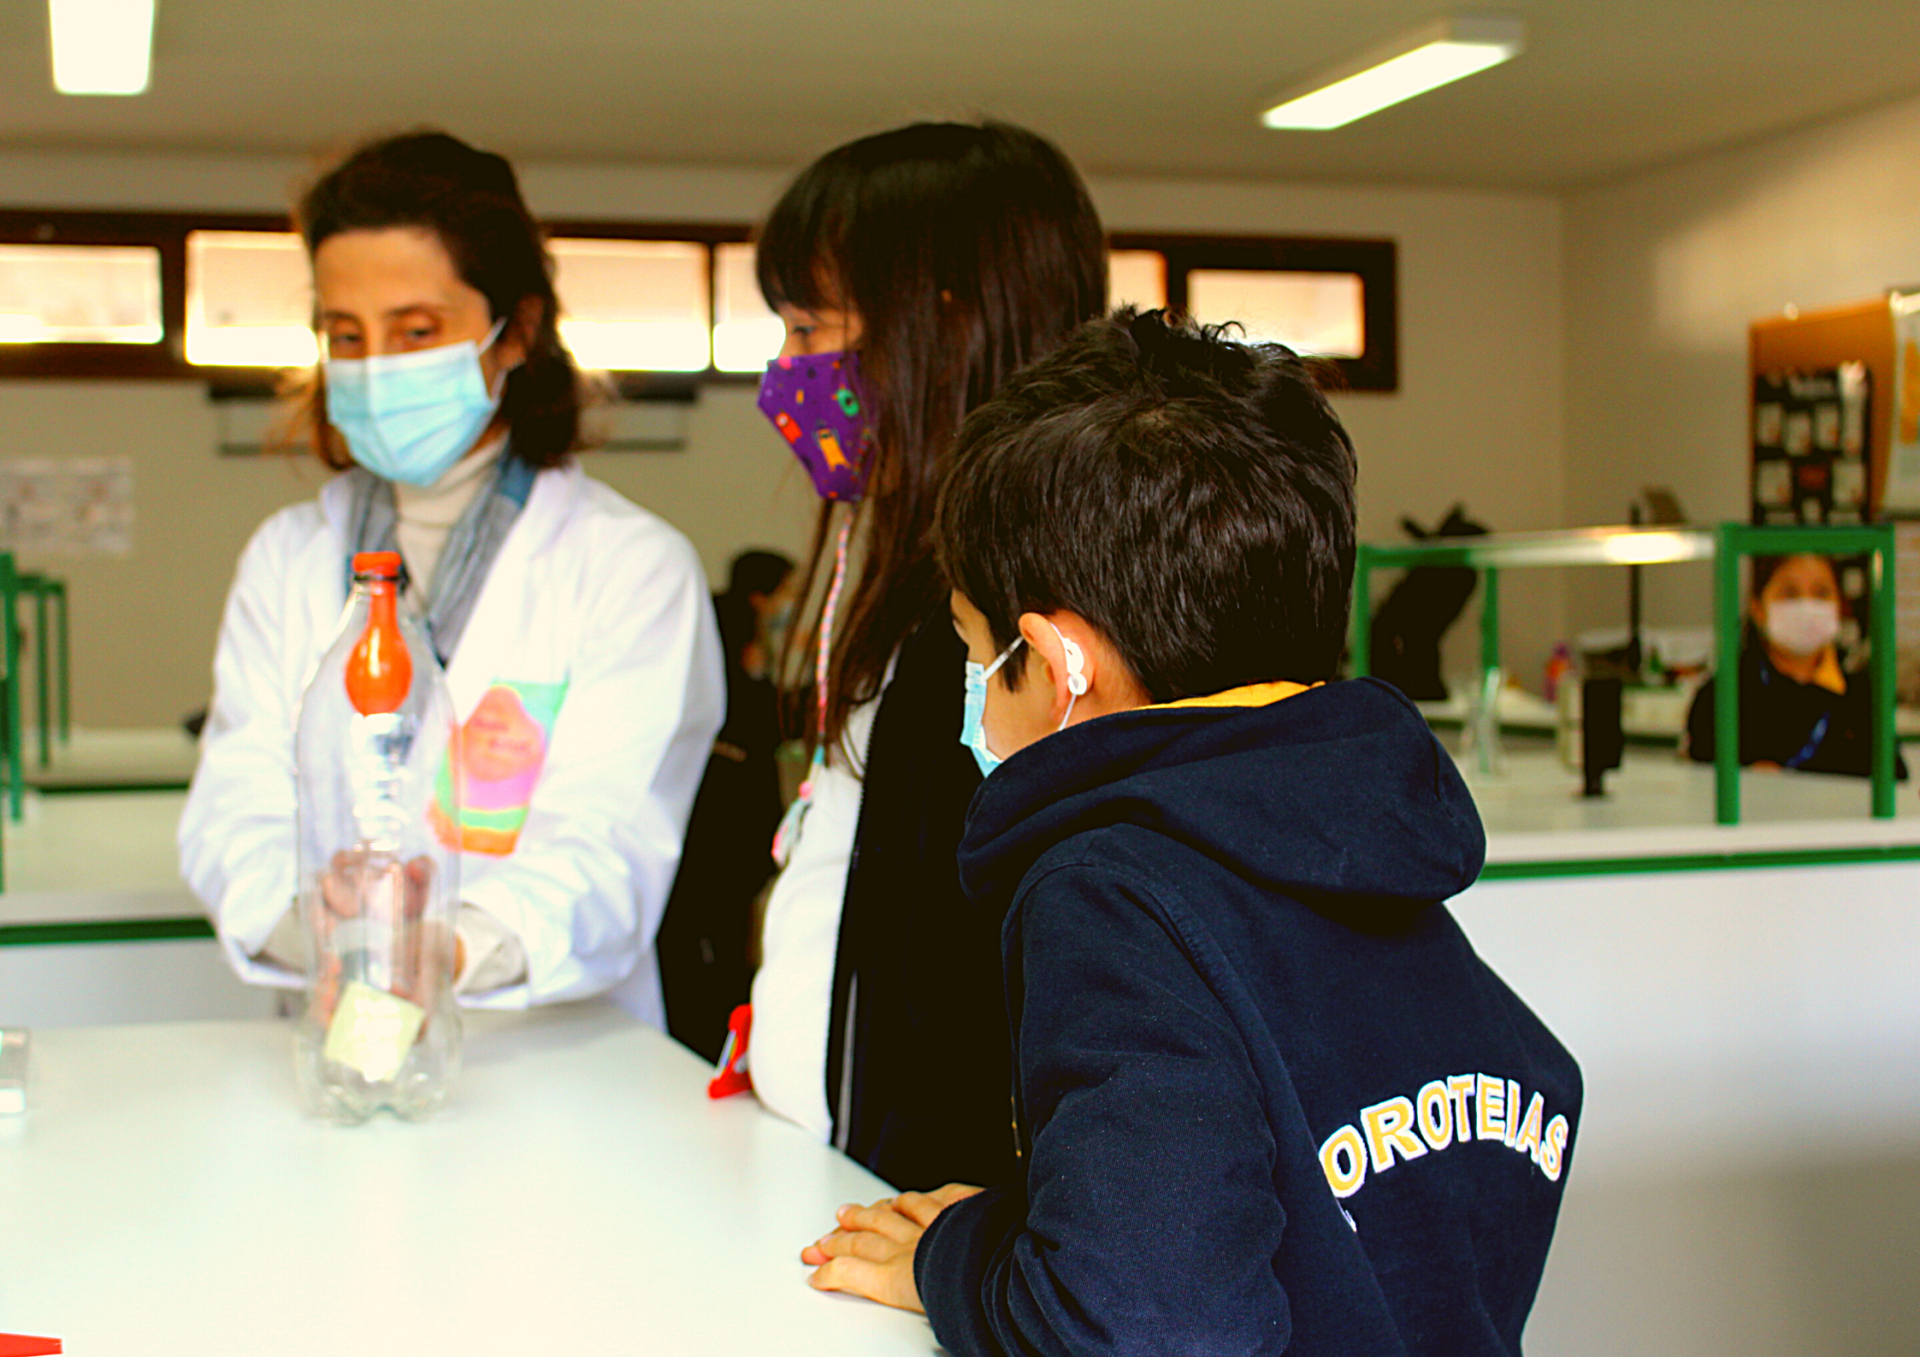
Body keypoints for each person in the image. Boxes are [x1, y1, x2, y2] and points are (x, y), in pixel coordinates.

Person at [800, 311, 1583, 1354]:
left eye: (973, 653)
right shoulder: (1367, 830)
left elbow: (1143, 1320)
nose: (973, 695)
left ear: (1059, 665)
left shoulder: (1110, 893)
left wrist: (962, 1257)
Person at [179, 130, 723, 1023]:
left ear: (518, 332)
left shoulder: (629, 566)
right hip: (331, 1036)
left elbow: (612, 838)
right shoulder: (288, 557)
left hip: (552, 1056)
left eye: (417, 330)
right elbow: (236, 805)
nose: (376, 366)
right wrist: (314, 920)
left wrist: (445, 945)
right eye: (346, 334)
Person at [745, 120, 1108, 1191]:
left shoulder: (1003, 635)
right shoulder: (919, 593)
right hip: (846, 1190)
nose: (786, 373)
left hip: (918, 1226)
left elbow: (964, 1010)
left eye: (809, 329)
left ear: (944, 326)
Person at [658, 548, 795, 1060]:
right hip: (726, 824)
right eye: (787, 591)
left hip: (711, 822)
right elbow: (764, 721)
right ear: (761, 597)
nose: (790, 603)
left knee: (702, 937)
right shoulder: (734, 649)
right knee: (717, 944)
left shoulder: (719, 631)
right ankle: (714, 1044)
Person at [1685, 552, 1900, 779]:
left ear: (1840, 606)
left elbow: (1894, 777)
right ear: (1757, 608)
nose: (1807, 606)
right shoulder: (1721, 697)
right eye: (1790, 594)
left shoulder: (1863, 696)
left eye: (1821, 593)